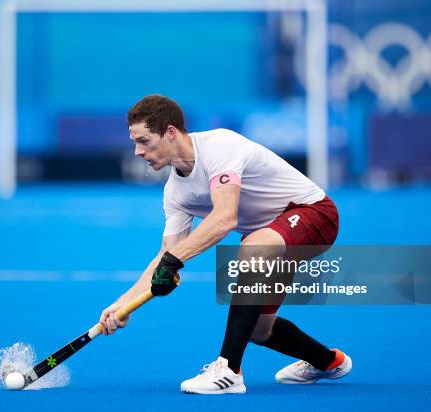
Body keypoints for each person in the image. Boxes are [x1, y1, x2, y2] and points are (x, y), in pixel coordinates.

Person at [99, 95, 352, 394]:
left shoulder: (219, 146)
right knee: (259, 329)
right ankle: (329, 361)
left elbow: (224, 218)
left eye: (144, 141)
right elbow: (166, 255)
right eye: (134, 143)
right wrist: (123, 303)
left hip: (314, 214)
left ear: (170, 132)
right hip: (269, 235)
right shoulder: (175, 193)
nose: (138, 151)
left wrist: (173, 262)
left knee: (254, 247)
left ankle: (229, 369)